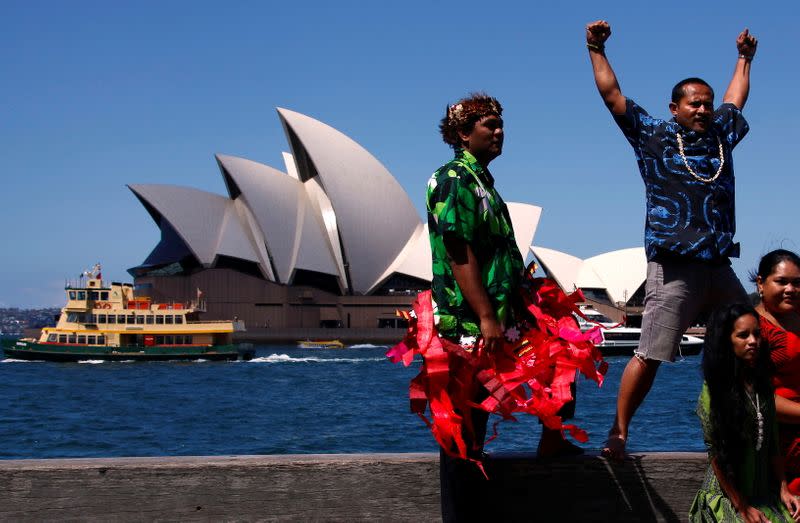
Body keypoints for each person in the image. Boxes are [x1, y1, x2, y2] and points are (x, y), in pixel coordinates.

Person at [585, 19, 758, 459]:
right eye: (693, 104)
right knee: (651, 353)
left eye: (706, 103)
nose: (702, 110)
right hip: (674, 265)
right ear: (675, 107)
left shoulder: (721, 137)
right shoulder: (655, 135)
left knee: (752, 340)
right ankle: (619, 433)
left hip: (719, 267)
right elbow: (613, 97)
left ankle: (754, 428)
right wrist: (596, 49)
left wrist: (744, 58)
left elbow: (736, 97)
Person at [427, 93, 582, 521]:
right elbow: (460, 254)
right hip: (470, 323)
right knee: (464, 429)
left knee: (564, 357)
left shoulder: (483, 183)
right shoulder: (453, 179)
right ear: (463, 133)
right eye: (489, 125)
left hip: (503, 317)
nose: (499, 132)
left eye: (500, 125)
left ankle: (552, 438)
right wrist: (485, 316)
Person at [689, 303, 800, 522]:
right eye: (743, 335)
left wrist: (784, 489)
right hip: (729, 498)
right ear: (726, 341)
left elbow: (772, 444)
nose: (753, 341)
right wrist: (742, 507)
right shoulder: (714, 391)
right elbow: (717, 455)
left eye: (757, 334)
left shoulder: (763, 385)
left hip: (764, 495)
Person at [754, 249, 800, 495]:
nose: (790, 289)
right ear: (761, 283)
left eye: (797, 283)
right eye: (782, 281)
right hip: (777, 439)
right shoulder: (751, 329)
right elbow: (755, 395)